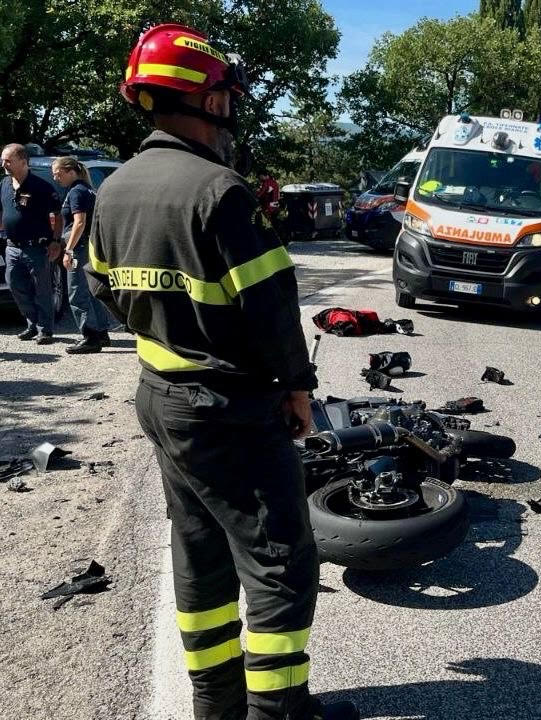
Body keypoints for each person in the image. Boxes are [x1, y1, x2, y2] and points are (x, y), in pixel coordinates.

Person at [85, 24, 357, 720]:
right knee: (279, 566)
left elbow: (99, 286)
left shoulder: (113, 190)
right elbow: (271, 312)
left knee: (200, 549)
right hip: (231, 410)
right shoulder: (220, 193)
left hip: (162, 398)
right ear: (204, 98)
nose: (232, 107)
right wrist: (297, 388)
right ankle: (278, 712)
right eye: (226, 94)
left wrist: (166, 329)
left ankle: (217, 705)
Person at [0, 143, 62, 344]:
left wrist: (55, 241)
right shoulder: (4, 184)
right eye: (2, 160)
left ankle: (45, 330)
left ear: (23, 161)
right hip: (11, 246)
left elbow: (58, 215)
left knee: (41, 289)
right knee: (14, 284)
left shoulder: (41, 186)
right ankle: (32, 324)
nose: (3, 164)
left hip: (36, 247)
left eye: (8, 160)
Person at [51, 156, 112, 353]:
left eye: (58, 174)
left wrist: (68, 249)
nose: (55, 178)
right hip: (89, 246)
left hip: (79, 247)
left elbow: (79, 222)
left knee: (77, 292)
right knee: (90, 292)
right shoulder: (85, 189)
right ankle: (101, 333)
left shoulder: (77, 192)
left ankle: (90, 336)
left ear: (70, 171)